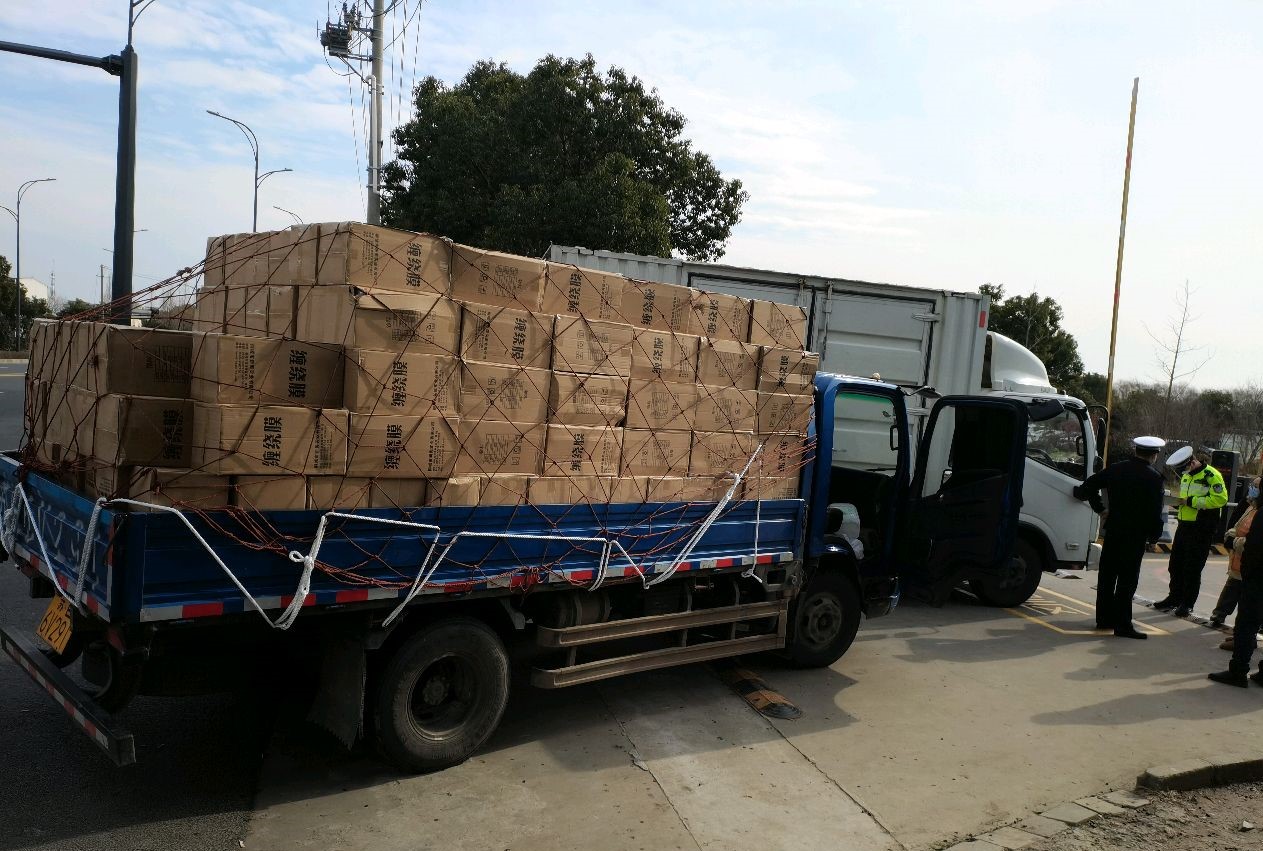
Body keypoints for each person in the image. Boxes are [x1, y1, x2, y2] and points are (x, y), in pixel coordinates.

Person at [1073, 436, 1166, 639]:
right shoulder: (1154, 478)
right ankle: (1123, 624)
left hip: (1114, 530)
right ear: (1154, 455)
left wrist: (1100, 509)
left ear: (1136, 451)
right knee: (1127, 580)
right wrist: (1154, 537)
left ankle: (1103, 619)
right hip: (1136, 535)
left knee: (1107, 577)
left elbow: (1087, 487)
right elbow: (1155, 511)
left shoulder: (1116, 469)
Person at [1154, 447, 1228, 617]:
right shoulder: (1187, 476)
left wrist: (1191, 501)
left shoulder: (1211, 475)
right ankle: (1174, 598)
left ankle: (1187, 604)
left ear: (1192, 462)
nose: (1183, 473)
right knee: (1176, 565)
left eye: (1185, 468)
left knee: (1192, 568)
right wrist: (1178, 503)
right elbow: (1186, 499)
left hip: (1201, 527)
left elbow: (1220, 499)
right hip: (1184, 524)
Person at [1209, 486, 1263, 687]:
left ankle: (1238, 671)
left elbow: (1254, 547)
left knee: (1246, 625)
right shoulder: (1254, 509)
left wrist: (1246, 572)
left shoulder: (1261, 513)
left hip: (1257, 578)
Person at [1210, 478, 1259, 648]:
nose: (1252, 489)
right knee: (1241, 599)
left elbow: (1254, 541)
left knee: (1249, 606)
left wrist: (1236, 542)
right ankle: (1241, 636)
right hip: (1240, 565)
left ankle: (1244, 642)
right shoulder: (1251, 507)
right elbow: (1237, 527)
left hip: (1252, 566)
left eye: (1256, 487)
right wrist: (1230, 537)